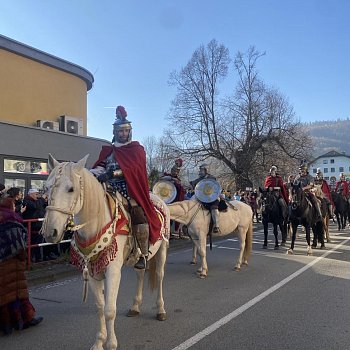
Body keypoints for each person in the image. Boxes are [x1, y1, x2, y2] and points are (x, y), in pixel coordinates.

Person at [90, 105, 162, 270]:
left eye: (125, 131)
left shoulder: (137, 150)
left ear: (130, 132)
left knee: (138, 213)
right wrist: (92, 173)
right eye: (120, 131)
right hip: (107, 189)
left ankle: (142, 253)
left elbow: (134, 170)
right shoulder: (109, 150)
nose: (123, 134)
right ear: (115, 132)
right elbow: (101, 165)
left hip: (129, 190)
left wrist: (112, 174)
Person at [0, 197, 43, 334]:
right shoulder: (14, 222)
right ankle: (25, 320)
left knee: (4, 296)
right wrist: (24, 258)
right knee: (19, 295)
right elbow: (20, 246)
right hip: (14, 264)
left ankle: (6, 325)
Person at [190, 164, 221, 233]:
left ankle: (216, 225)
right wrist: (192, 183)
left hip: (211, 197)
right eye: (200, 170)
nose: (200, 172)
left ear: (206, 170)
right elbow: (194, 184)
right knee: (191, 202)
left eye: (201, 170)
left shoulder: (212, 178)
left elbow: (213, 186)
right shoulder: (199, 179)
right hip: (202, 197)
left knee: (214, 208)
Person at [159, 158, 186, 238]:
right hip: (168, 200)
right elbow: (162, 181)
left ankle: (180, 232)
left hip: (177, 199)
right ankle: (168, 233)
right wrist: (171, 179)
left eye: (177, 171)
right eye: (174, 170)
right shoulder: (168, 177)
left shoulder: (178, 180)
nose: (176, 171)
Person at [22, 189, 48, 262]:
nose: (38, 196)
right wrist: (42, 198)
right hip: (32, 226)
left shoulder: (37, 201)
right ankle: (31, 259)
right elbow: (35, 206)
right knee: (33, 243)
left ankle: (38, 258)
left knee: (38, 243)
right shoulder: (26, 201)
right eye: (36, 194)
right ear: (31, 194)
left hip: (38, 226)